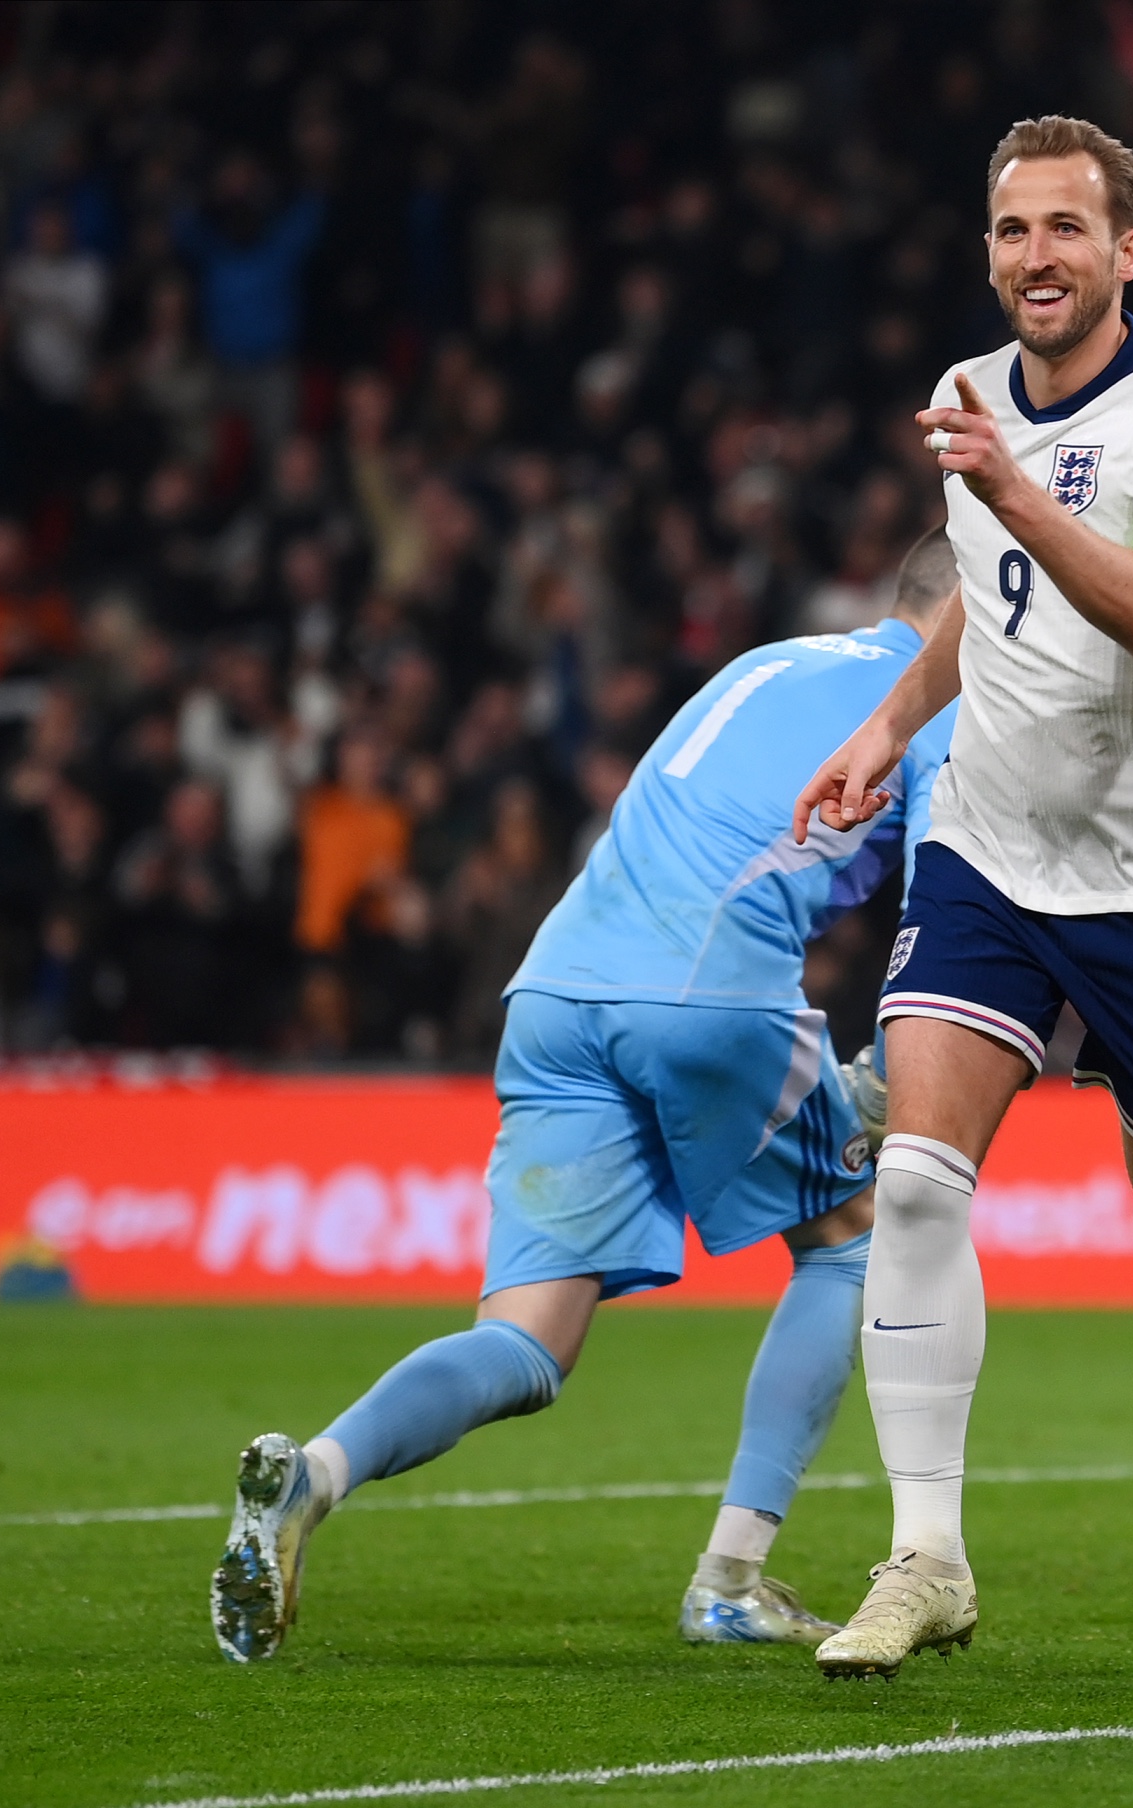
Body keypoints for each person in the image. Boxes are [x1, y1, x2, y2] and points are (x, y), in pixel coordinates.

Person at [210, 531, 964, 1662]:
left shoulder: (763, 664)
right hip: (706, 991)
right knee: (848, 1243)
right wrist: (897, 1069)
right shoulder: (935, 703)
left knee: (526, 1345)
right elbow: (956, 900)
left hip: (555, 992)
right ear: (967, 604)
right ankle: (729, 1581)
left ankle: (316, 1470)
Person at [794, 115, 1133, 1680]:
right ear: (988, 249)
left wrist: (1015, 489)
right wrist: (890, 724)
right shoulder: (971, 393)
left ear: (1125, 252)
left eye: (1068, 229)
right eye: (1014, 229)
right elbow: (988, 595)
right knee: (912, 1185)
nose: (1039, 256)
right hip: (987, 851)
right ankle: (926, 1558)